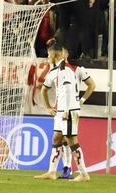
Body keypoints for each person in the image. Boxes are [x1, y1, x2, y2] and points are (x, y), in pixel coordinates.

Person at [34, 43, 92, 182]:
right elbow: (45, 88)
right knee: (56, 138)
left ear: (54, 54)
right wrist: (49, 107)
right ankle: (52, 172)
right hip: (61, 111)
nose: (48, 58)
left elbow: (67, 91)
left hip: (68, 110)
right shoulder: (56, 70)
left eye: (48, 55)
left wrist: (65, 110)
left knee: (72, 140)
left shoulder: (65, 70)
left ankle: (84, 174)